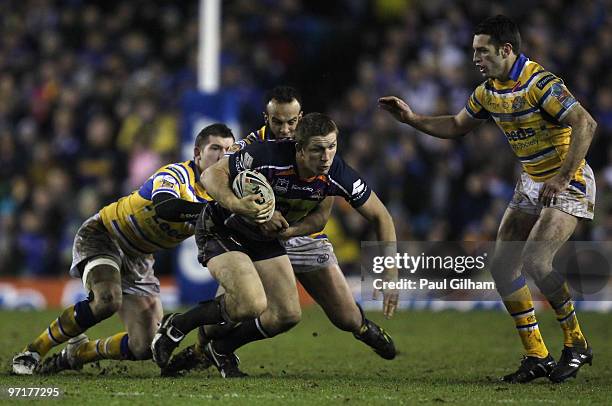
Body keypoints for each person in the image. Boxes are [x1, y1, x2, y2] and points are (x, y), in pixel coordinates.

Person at [379, 15, 597, 384]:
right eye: (473, 51)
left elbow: (585, 123)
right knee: (502, 265)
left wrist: (562, 177)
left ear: (506, 50)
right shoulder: (488, 91)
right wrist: (413, 119)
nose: (475, 58)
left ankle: (577, 343)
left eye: (483, 51)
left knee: (536, 260)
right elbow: (457, 125)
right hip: (532, 181)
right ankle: (537, 354)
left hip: (568, 180)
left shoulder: (540, 84)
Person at [163, 86, 396, 377]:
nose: (285, 129)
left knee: (346, 317)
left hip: (301, 235)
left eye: (291, 122)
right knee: (238, 308)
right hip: (253, 235)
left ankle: (363, 327)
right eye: (277, 122)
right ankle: (202, 351)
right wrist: (253, 210)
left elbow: (327, 216)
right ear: (267, 119)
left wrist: (389, 271)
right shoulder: (255, 150)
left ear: (301, 120)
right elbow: (218, 179)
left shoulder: (324, 155)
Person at [11, 124, 235, 375]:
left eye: (228, 150)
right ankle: (33, 350)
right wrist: (213, 212)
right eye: (215, 148)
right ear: (197, 153)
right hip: (105, 235)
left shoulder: (224, 197)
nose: (222, 156)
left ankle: (80, 353)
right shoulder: (176, 174)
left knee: (144, 345)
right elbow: (165, 207)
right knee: (107, 299)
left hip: (140, 257)